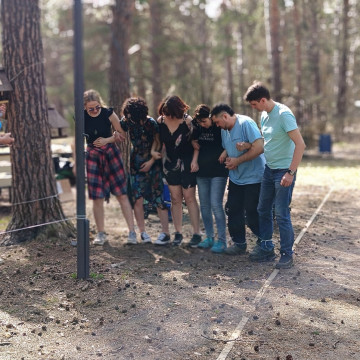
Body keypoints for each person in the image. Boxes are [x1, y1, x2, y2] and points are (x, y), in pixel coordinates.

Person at [244, 81, 306, 269]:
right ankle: (266, 247)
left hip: (283, 172)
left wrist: (290, 172)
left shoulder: (283, 114)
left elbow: (300, 145)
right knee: (263, 209)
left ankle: (287, 254)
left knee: (281, 213)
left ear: (263, 100)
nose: (254, 108)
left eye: (254, 104)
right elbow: (269, 142)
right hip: (269, 170)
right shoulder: (264, 115)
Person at [210, 103, 265, 255]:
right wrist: (226, 154)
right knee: (232, 209)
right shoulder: (225, 130)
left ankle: (265, 243)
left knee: (252, 212)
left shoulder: (246, 123)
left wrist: (238, 161)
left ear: (225, 116)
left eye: (217, 122)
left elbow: (260, 147)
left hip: (254, 178)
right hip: (236, 178)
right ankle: (239, 243)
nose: (217, 125)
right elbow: (230, 146)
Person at [83, 89, 136, 246]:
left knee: (121, 194)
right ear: (85, 107)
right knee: (97, 197)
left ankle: (132, 232)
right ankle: (101, 233)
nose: (94, 111)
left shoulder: (109, 114)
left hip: (111, 153)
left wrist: (107, 140)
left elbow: (121, 134)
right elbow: (79, 138)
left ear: (101, 104)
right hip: (92, 155)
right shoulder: (81, 117)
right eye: (90, 108)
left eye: (97, 107)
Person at [119, 97, 170, 245]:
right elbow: (119, 129)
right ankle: (143, 233)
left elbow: (158, 142)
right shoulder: (127, 121)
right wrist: (116, 134)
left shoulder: (151, 123)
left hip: (153, 162)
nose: (127, 116)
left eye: (130, 113)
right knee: (137, 198)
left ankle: (165, 233)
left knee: (158, 198)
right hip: (136, 163)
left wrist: (151, 161)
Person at [152, 95, 201, 247]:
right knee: (175, 198)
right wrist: (154, 151)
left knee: (189, 197)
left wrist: (194, 161)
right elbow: (157, 142)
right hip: (170, 164)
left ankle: (196, 233)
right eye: (164, 112)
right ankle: (178, 233)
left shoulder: (188, 122)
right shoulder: (160, 122)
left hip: (187, 163)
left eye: (169, 113)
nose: (167, 116)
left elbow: (196, 145)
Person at [192, 104, 228, 253]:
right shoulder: (197, 127)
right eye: (200, 122)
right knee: (205, 206)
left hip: (218, 172)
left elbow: (231, 141)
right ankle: (209, 237)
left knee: (216, 205)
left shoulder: (220, 127)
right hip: (202, 172)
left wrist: (225, 152)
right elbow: (194, 144)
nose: (203, 124)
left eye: (205, 121)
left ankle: (222, 240)